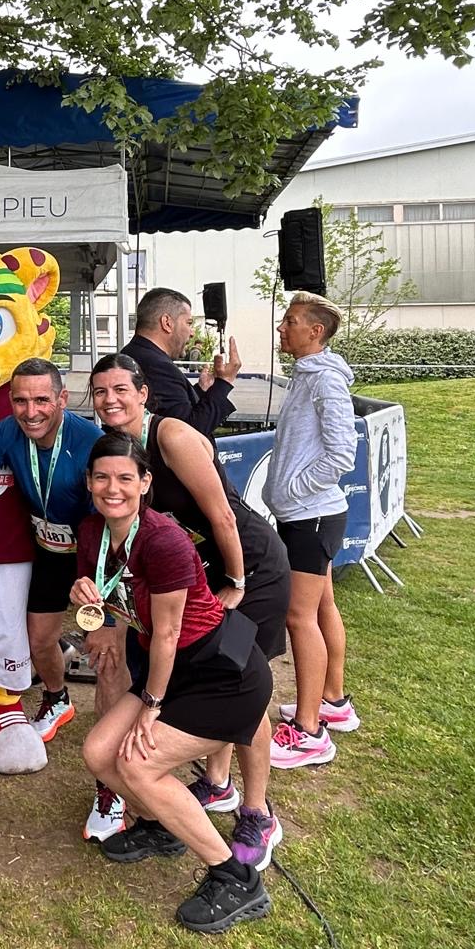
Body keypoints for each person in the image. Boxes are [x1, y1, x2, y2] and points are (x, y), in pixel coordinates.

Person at [88, 352, 287, 861]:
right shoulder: (117, 451)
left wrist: (237, 582)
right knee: (204, 668)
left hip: (246, 562)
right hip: (198, 565)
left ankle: (257, 813)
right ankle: (218, 784)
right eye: (100, 391)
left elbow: (223, 514)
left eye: (120, 389)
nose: (110, 400)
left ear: (143, 394)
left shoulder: (170, 435)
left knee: (240, 680)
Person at [79, 433, 275, 933]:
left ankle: (236, 877)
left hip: (221, 675)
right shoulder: (92, 532)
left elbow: (167, 634)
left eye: (125, 477)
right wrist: (84, 595)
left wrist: (150, 705)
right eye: (102, 477)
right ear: (89, 482)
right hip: (173, 668)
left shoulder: (163, 539)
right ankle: (161, 826)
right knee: (98, 753)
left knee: (136, 763)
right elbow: (105, 608)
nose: (113, 488)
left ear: (146, 482)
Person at [0, 358, 100, 745]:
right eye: (20, 400)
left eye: (41, 400)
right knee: (38, 639)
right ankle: (57, 698)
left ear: (62, 399)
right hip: (49, 551)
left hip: (96, 554)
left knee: (106, 647)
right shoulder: (9, 430)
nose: (30, 412)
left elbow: (111, 510)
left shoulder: (89, 440)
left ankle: (123, 728)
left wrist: (96, 578)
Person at [264, 292, 359, 768]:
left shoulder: (325, 380)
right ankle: (332, 702)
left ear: (315, 331)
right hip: (307, 514)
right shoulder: (308, 375)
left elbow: (342, 453)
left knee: (298, 617)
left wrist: (293, 490)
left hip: (311, 515)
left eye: (291, 322)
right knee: (321, 606)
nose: (282, 328)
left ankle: (308, 731)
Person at [123, 288, 239, 436]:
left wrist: (201, 390)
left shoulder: (137, 355)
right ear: (167, 323)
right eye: (188, 323)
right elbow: (187, 433)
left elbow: (173, 411)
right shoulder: (157, 366)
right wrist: (224, 383)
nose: (192, 333)